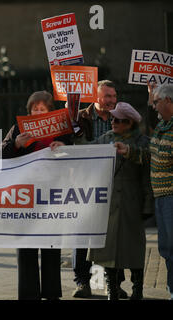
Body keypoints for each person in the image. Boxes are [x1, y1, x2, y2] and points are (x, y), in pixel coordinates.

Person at [0, 90, 71, 300]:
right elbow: (1, 154)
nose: (38, 112)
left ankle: (51, 293)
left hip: (52, 195)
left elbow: (75, 153)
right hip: (25, 197)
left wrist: (64, 146)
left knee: (51, 246)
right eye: (34, 109)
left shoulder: (60, 129)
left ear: (50, 111)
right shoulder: (18, 129)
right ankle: (28, 293)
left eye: (42, 109)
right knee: (26, 247)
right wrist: (16, 144)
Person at [84, 102, 152, 300]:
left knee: (134, 248)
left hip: (132, 202)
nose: (112, 122)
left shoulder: (142, 142)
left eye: (117, 120)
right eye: (112, 119)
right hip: (109, 203)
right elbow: (86, 152)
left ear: (129, 123)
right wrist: (65, 147)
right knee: (107, 250)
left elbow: (148, 173)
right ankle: (112, 289)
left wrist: (147, 205)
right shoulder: (106, 139)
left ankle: (137, 289)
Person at [70, 80, 128, 299]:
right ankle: (83, 282)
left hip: (115, 183)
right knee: (83, 235)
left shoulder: (122, 116)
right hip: (86, 183)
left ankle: (113, 282)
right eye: (107, 96)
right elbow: (76, 145)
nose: (112, 100)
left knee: (113, 235)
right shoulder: (80, 118)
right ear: (95, 97)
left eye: (114, 96)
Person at [115, 83, 173, 300]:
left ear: (168, 101)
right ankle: (171, 288)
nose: (154, 107)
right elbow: (151, 155)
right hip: (161, 196)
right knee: (166, 248)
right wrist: (128, 150)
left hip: (171, 196)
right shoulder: (162, 127)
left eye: (156, 102)